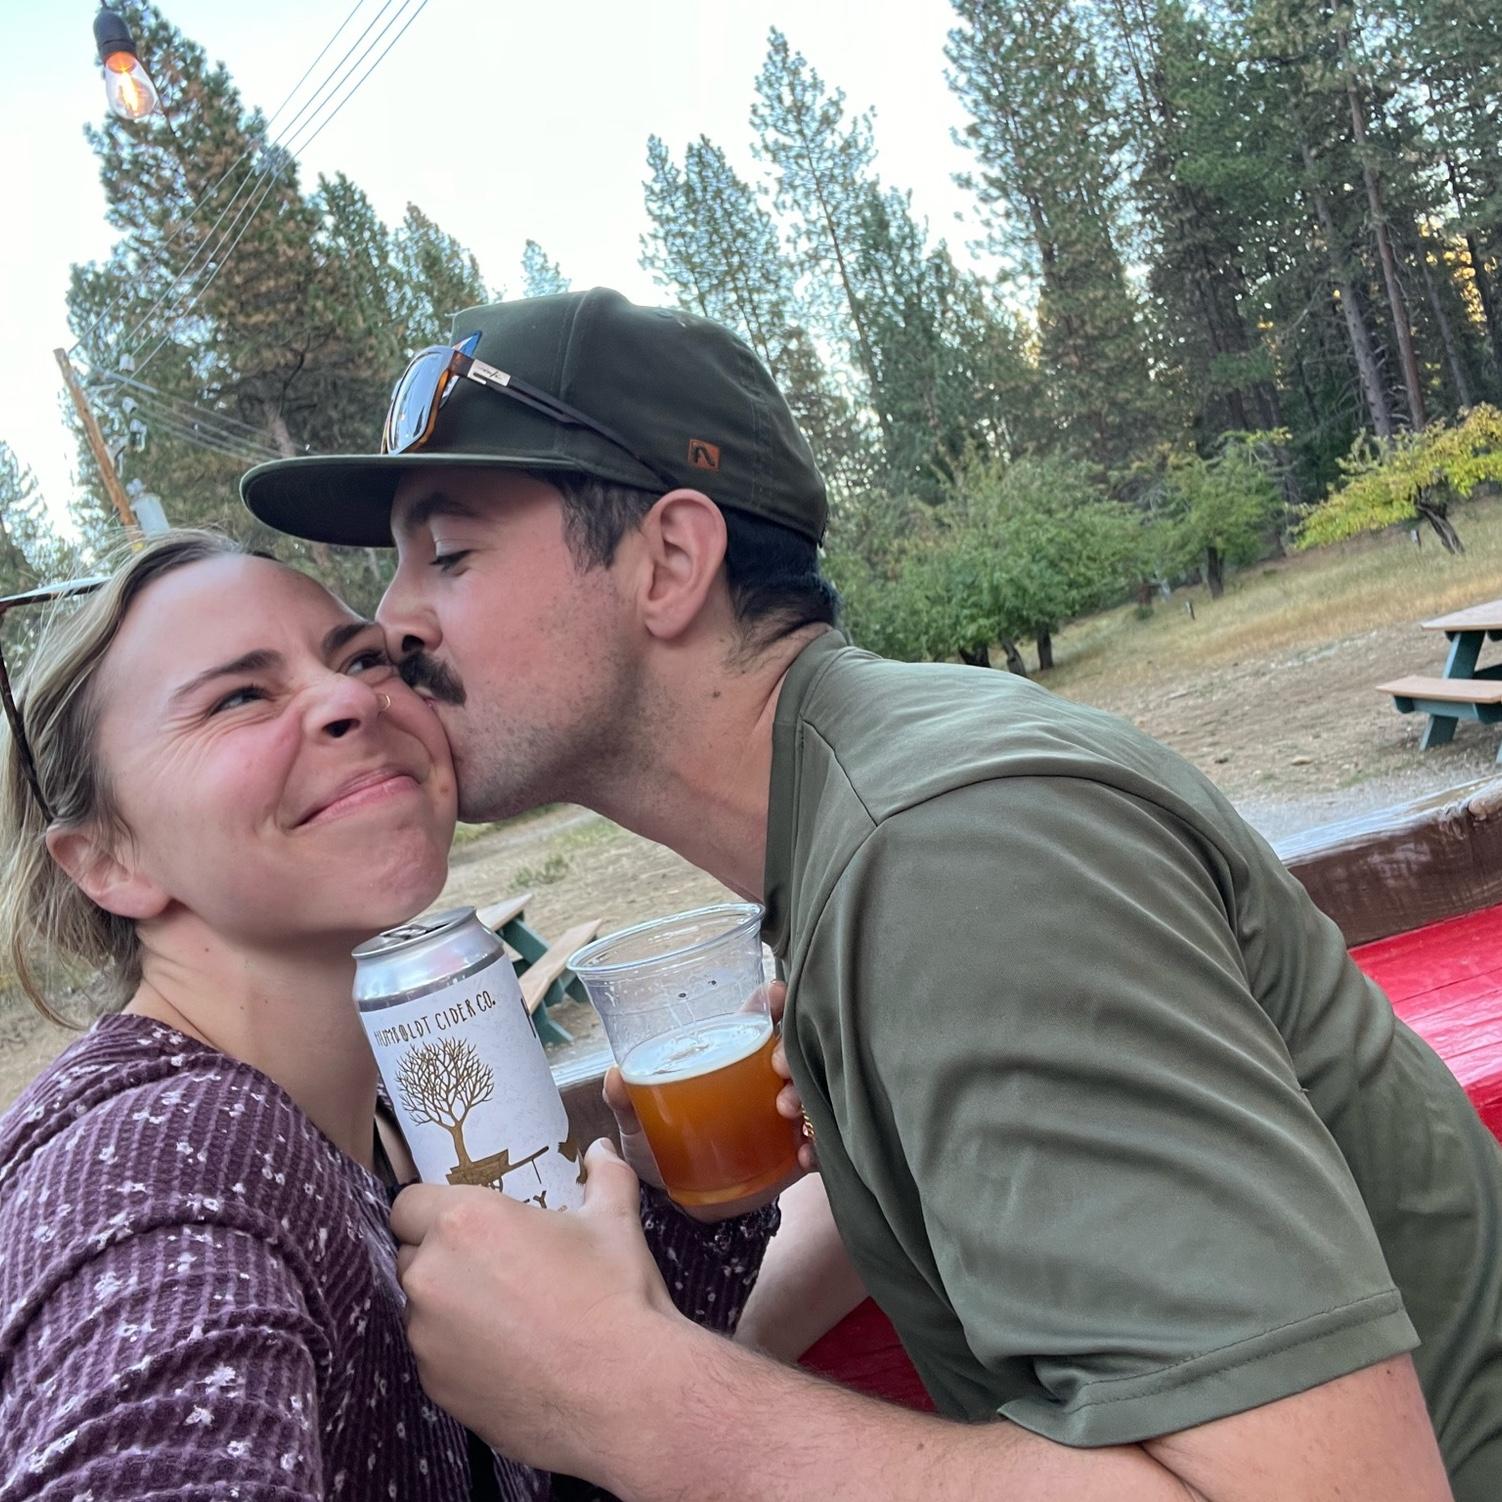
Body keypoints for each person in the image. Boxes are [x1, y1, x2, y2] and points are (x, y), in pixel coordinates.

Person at [244, 288, 1502, 1500]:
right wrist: (635, 1328)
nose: (390, 622)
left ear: (668, 560)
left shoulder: (949, 857)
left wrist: (641, 1400)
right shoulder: (858, 813)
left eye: (448, 553)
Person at [0, 530, 781, 1500]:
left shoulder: (389, 1119)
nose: (351, 700)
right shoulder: (157, 1161)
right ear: (108, 861)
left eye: (362, 657)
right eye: (239, 697)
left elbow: (571, 1438)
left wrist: (681, 1202)